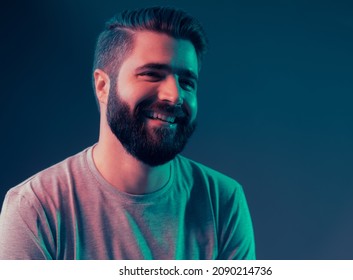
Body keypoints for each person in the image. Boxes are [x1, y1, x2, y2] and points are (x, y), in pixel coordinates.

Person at [0, 6, 256, 260]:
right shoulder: (36, 208)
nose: (175, 95)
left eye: (187, 82)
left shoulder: (222, 201)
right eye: (151, 75)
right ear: (102, 86)